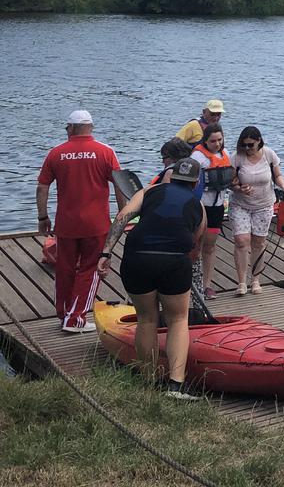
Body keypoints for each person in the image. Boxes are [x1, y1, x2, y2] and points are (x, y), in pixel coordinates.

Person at [97, 156, 205, 400]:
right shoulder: (198, 206)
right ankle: (175, 386)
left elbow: (122, 217)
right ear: (195, 182)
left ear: (171, 175)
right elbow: (195, 247)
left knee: (147, 319)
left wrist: (106, 253)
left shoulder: (148, 191)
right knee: (178, 320)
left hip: (137, 258)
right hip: (173, 262)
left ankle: (149, 380)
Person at [36, 110, 122, 333]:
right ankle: (75, 319)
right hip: (96, 224)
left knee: (64, 269)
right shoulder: (106, 152)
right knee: (91, 269)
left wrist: (42, 216)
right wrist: (123, 214)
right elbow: (120, 185)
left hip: (66, 224)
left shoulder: (56, 153)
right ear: (90, 128)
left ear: (72, 128)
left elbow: (42, 187)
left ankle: (64, 314)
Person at [230, 126, 284, 296]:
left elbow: (277, 175)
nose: (247, 148)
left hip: (264, 204)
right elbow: (231, 181)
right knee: (242, 240)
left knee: (258, 242)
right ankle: (241, 282)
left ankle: (255, 280)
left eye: (250, 145)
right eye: (244, 145)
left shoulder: (269, 154)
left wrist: (283, 185)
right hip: (240, 204)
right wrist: (239, 188)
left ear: (259, 141)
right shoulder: (237, 157)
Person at [189, 122, 234, 298]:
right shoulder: (198, 158)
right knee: (196, 246)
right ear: (205, 141)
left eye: (220, 140)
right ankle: (192, 283)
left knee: (210, 246)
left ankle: (207, 285)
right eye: (213, 141)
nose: (217, 144)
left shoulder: (226, 154)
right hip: (201, 207)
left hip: (217, 207)